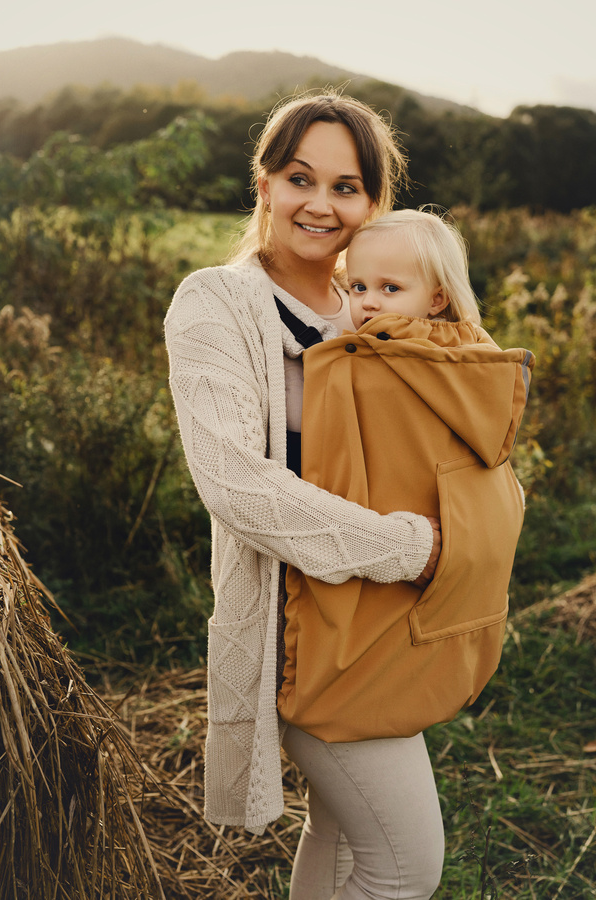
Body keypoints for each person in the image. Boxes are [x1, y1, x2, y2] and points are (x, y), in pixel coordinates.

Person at [165, 92, 444, 900]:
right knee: (407, 867)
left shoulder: (377, 305)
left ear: (373, 203)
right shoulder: (215, 303)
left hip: (378, 625)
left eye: (346, 187)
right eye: (299, 178)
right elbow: (235, 482)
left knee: (345, 838)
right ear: (264, 184)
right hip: (301, 634)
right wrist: (409, 548)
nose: (320, 204)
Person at [278, 210, 535, 752]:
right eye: (357, 287)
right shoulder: (473, 362)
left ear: (437, 298)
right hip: (455, 606)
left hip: (371, 604)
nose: (368, 303)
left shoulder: (371, 367)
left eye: (390, 288)